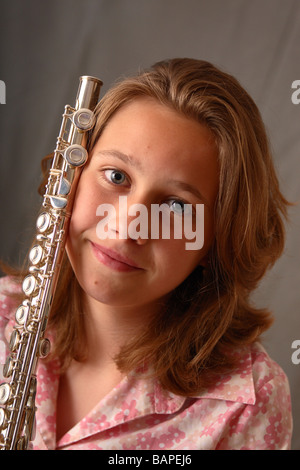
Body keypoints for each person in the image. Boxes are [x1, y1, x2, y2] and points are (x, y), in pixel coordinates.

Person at [0, 58, 292, 450]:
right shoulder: (4, 312)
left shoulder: (248, 401)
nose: (126, 226)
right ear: (69, 178)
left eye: (175, 207)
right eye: (116, 176)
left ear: (216, 241)